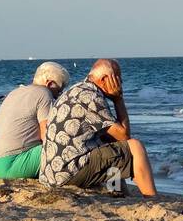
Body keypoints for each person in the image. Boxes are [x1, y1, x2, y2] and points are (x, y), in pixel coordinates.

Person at [39, 58, 157, 196]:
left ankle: (116, 192)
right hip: (67, 171)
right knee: (135, 147)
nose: (120, 84)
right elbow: (124, 136)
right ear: (104, 79)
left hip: (52, 172)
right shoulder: (91, 97)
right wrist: (118, 100)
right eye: (118, 79)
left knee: (110, 146)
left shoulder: (77, 89)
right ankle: (152, 198)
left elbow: (113, 139)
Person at [0, 61, 70, 180]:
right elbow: (48, 137)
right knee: (66, 147)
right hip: (9, 165)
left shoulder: (15, 92)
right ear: (49, 84)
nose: (59, 94)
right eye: (60, 89)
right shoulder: (44, 94)